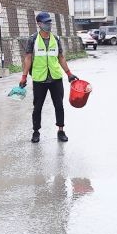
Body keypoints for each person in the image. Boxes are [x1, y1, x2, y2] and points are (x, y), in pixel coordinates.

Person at [20, 12, 79, 143]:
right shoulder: (33, 39)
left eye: (50, 22)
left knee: (59, 105)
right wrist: (24, 76)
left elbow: (60, 57)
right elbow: (28, 58)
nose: (49, 25)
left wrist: (69, 74)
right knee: (37, 107)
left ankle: (61, 130)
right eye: (46, 23)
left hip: (55, 78)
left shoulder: (56, 39)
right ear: (39, 24)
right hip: (39, 79)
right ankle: (36, 131)